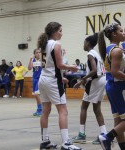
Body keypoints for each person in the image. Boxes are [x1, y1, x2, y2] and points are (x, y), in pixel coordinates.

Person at [37, 22, 82, 150]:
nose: (62, 33)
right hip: (52, 81)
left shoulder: (43, 45)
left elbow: (47, 65)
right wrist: (72, 67)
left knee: (45, 110)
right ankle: (66, 143)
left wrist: (60, 77)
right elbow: (60, 65)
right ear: (54, 31)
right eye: (60, 31)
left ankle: (45, 141)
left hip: (43, 79)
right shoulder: (56, 44)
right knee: (63, 110)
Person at [72, 33, 107, 145]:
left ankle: (81, 134)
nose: (83, 44)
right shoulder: (96, 53)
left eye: (84, 42)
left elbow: (94, 70)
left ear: (88, 43)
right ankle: (104, 134)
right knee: (97, 109)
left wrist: (82, 80)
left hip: (96, 82)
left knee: (84, 107)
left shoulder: (90, 54)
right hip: (102, 80)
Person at [98, 23, 125, 150]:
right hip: (118, 87)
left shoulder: (110, 48)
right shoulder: (117, 50)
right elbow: (115, 72)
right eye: (121, 30)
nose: (124, 33)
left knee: (118, 121)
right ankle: (107, 137)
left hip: (112, 86)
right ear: (114, 34)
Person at [28, 48, 42, 116]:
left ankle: (41, 109)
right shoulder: (33, 60)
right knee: (36, 96)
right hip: (34, 79)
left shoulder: (43, 60)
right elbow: (29, 68)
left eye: (39, 52)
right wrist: (30, 59)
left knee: (37, 94)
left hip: (41, 79)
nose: (38, 53)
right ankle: (38, 110)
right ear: (34, 54)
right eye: (36, 52)